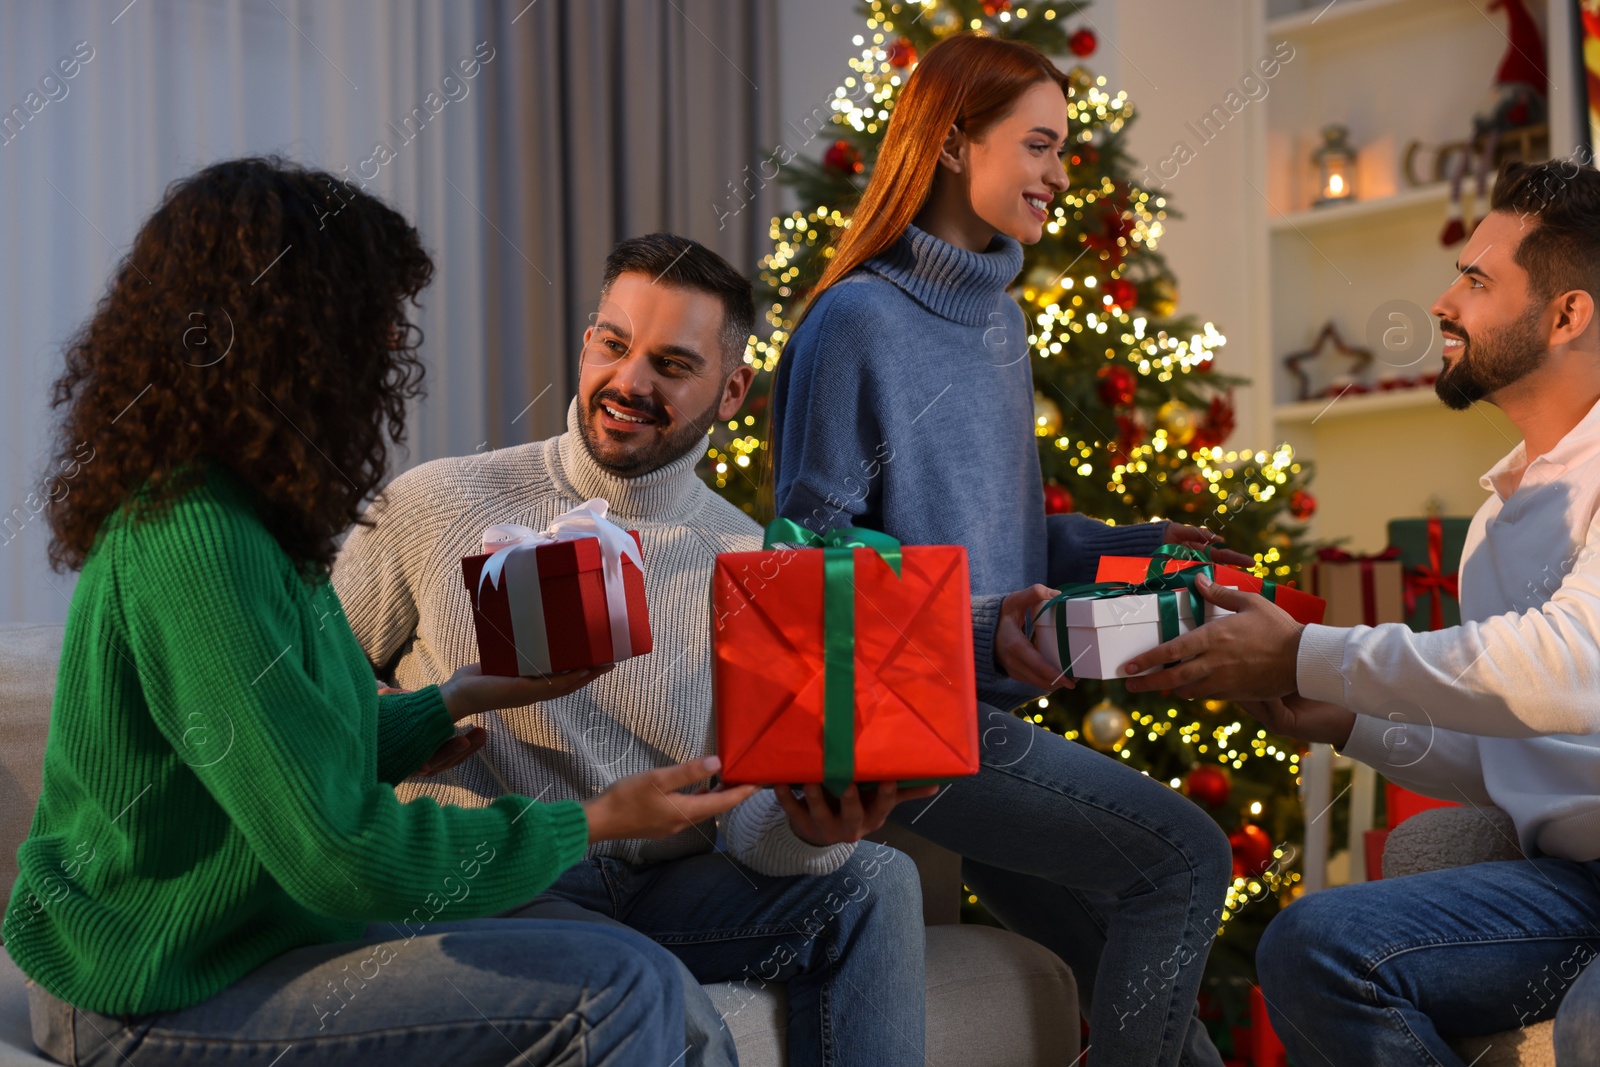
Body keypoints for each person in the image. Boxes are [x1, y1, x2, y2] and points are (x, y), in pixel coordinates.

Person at [4, 157, 760, 1067]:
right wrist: (592, 820)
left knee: (655, 985)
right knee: (619, 985)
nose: (394, 347)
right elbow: (335, 849)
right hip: (150, 988)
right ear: (297, 337)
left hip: (251, 944)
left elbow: (283, 747)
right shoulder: (196, 540)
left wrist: (450, 700)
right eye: (374, 321)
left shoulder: (251, 518)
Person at [333, 232, 931, 1067]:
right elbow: (303, 692)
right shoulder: (438, 501)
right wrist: (415, 719)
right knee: (656, 988)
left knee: (877, 879)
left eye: (672, 364)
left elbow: (750, 822)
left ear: (731, 391)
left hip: (658, 883)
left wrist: (812, 825)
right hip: (496, 877)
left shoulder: (753, 563)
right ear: (587, 346)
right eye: (614, 345)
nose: (630, 382)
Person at [771, 32, 1239, 1067]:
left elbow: (997, 536)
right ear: (948, 142)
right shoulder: (856, 320)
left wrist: (1125, 547)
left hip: (975, 708)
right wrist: (985, 625)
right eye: (1039, 145)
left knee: (1142, 973)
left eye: (1065, 149)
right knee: (1186, 857)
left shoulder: (999, 319)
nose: (1061, 175)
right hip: (904, 724)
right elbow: (813, 561)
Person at [1119, 159, 1600, 1064]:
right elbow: (1516, 752)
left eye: (1476, 279)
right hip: (1574, 886)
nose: (1442, 301)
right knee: (1312, 948)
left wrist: (1306, 651)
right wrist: (1343, 718)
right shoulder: (1498, 521)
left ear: (1567, 314)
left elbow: (1574, 668)